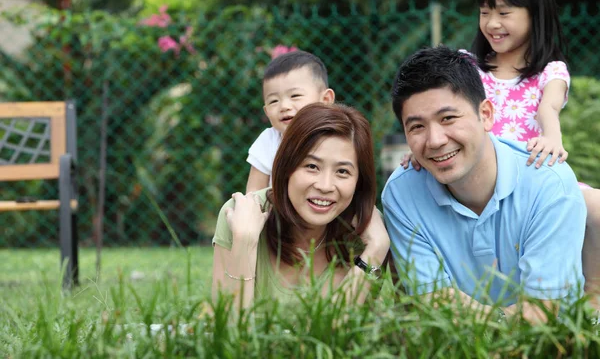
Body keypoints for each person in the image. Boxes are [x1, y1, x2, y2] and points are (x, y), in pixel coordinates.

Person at [402, 0, 600, 299]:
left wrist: (551, 138)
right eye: (484, 12)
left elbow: (547, 108)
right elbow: (438, 110)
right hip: (478, 178)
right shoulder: (467, 65)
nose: (492, 24)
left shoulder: (549, 71)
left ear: (534, 13)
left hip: (531, 176)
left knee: (595, 207)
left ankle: (593, 292)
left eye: (504, 13)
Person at [383, 46, 586, 323]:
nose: (435, 140)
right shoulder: (401, 194)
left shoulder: (549, 184)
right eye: (417, 127)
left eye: (448, 118)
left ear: (487, 114)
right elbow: (433, 303)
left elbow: (541, 314)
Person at [213, 103, 390, 309]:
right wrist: (244, 243)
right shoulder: (238, 217)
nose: (325, 186)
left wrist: (376, 250)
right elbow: (229, 333)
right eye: (312, 166)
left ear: (359, 181)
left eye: (342, 171)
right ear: (286, 166)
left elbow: (340, 336)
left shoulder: (368, 237)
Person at [245, 50, 335, 193]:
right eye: (274, 101)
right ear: (267, 112)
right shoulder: (269, 141)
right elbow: (254, 191)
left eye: (295, 95)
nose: (284, 106)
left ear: (325, 100)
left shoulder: (338, 138)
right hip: (277, 214)